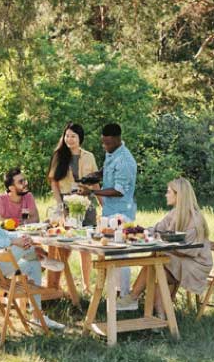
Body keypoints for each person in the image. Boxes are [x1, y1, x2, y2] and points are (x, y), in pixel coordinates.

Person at [0, 175, 66, 330]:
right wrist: (14, 242)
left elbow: (0, 233)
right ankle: (40, 255)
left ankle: (37, 317)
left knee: (32, 264)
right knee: (23, 248)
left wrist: (19, 237)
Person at [117, 177, 213, 316]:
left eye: (169, 192)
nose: (166, 195)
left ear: (178, 195)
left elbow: (192, 250)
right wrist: (133, 230)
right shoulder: (174, 213)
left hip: (195, 264)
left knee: (157, 262)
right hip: (179, 259)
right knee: (156, 261)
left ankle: (133, 298)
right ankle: (160, 316)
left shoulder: (195, 219)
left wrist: (165, 245)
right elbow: (157, 229)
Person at [79, 122, 137, 307]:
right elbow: (107, 169)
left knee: (120, 255)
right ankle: (113, 295)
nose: (105, 147)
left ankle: (124, 297)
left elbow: (119, 190)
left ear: (118, 139)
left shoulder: (126, 161)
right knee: (110, 253)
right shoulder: (112, 153)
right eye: (103, 143)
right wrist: (94, 176)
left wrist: (93, 192)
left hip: (122, 212)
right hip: (109, 211)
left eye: (108, 143)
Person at [47, 122, 100, 292]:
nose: (69, 139)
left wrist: (102, 203)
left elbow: (95, 182)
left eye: (73, 136)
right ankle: (58, 285)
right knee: (65, 246)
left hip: (86, 203)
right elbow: (54, 182)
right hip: (67, 203)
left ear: (80, 138)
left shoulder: (89, 156)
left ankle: (86, 286)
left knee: (87, 245)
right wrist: (60, 205)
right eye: (67, 135)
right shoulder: (58, 155)